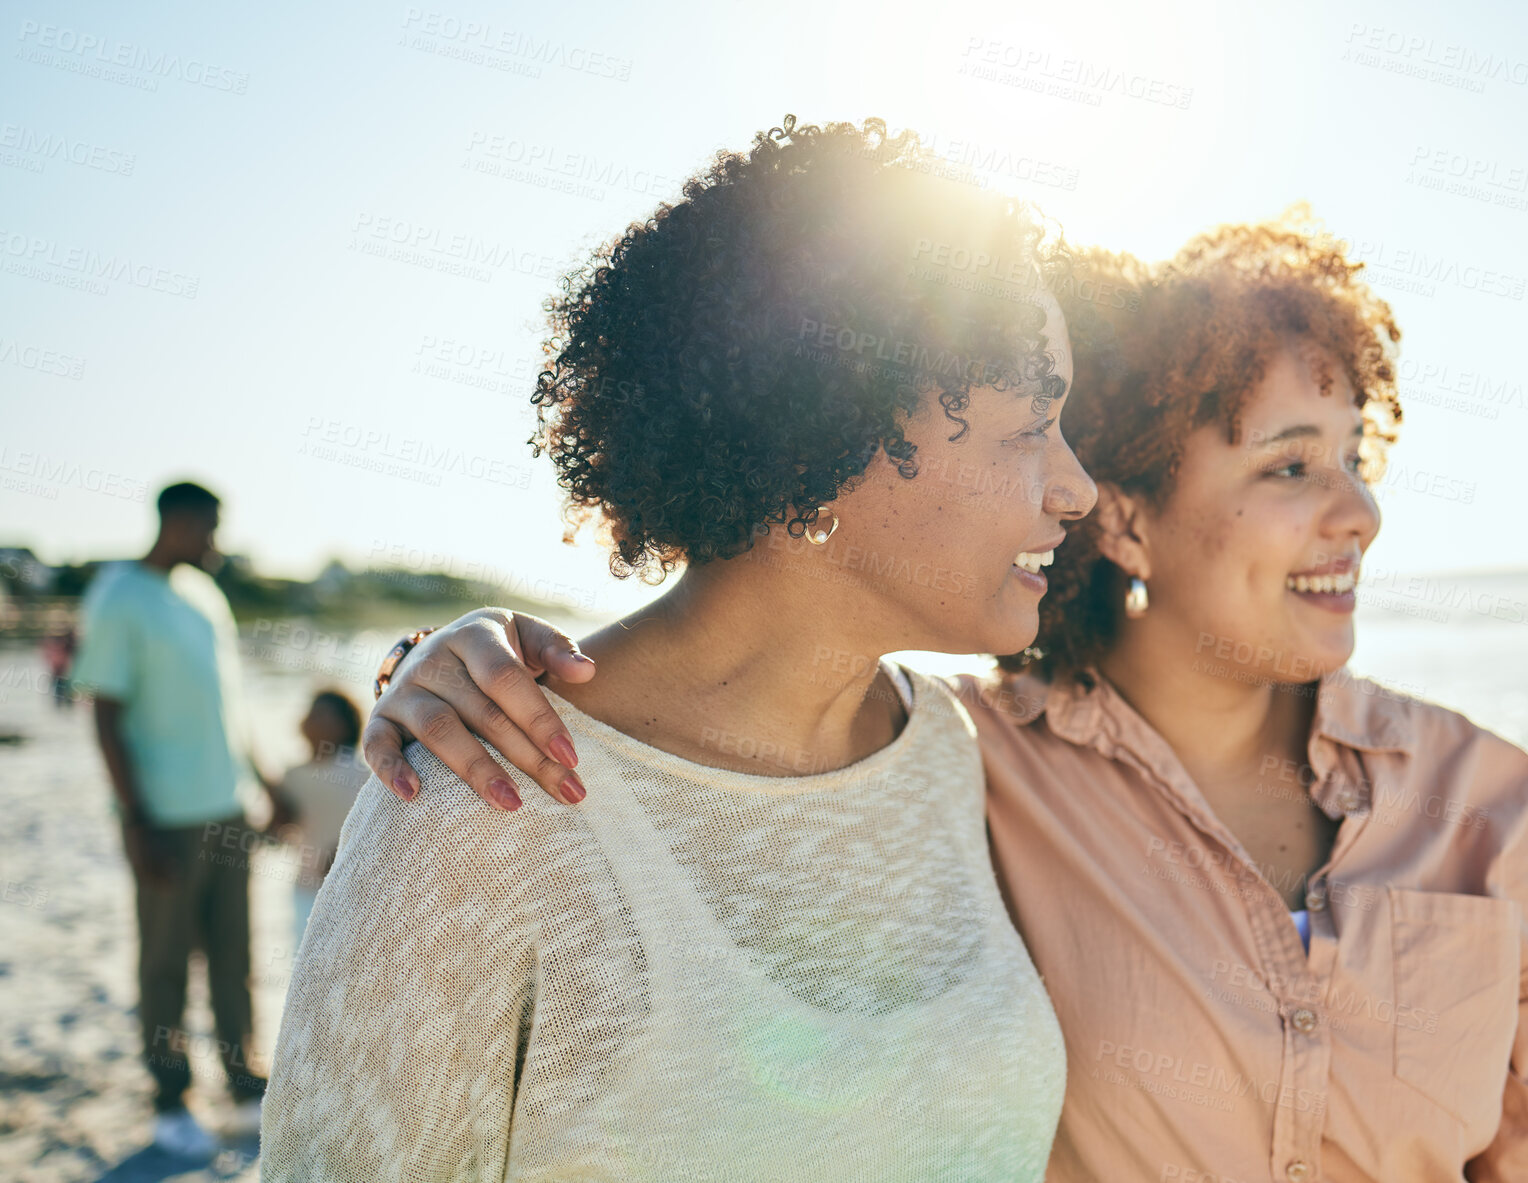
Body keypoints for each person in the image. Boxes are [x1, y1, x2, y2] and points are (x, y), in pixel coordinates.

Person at [379, 216, 1528, 1181]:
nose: (1358, 510)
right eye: (1288, 465)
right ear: (1131, 519)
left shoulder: (1484, 798)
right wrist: (451, 657)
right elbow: (744, 700)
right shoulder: (959, 765)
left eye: (1354, 457)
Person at [259, 115, 1095, 1181]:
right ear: (824, 435)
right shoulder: (482, 804)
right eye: (1032, 425)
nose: (1077, 487)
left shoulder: (963, 753)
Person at [70, 480, 294, 1158]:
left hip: (228, 806)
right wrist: (134, 820)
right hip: (163, 815)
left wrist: (266, 779)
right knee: (165, 961)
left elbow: (229, 702)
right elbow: (104, 713)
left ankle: (239, 1074)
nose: (215, 543)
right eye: (209, 528)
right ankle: (170, 1094)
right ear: (177, 521)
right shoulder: (120, 595)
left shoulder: (207, 595)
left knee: (234, 954)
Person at [268, 689, 366, 950]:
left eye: (323, 713)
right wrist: (276, 812)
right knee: (307, 966)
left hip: (355, 891)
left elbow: (377, 828)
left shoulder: (360, 772)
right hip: (306, 889)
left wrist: (343, 850)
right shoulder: (292, 777)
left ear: (345, 726)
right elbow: (275, 834)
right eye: (311, 711)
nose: (312, 718)